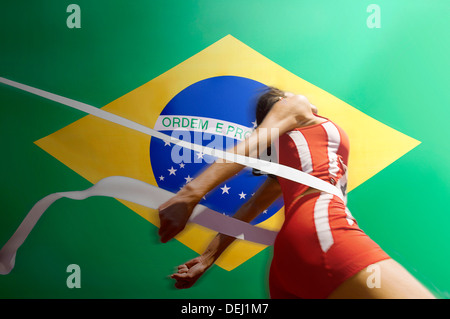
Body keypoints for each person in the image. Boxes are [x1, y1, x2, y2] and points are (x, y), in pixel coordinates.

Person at [158, 87, 435, 299]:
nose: (290, 97)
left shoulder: (287, 164)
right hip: (324, 231)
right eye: (282, 97)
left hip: (287, 263)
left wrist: (207, 258)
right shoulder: (296, 105)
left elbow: (250, 209)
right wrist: (188, 195)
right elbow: (252, 144)